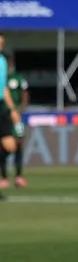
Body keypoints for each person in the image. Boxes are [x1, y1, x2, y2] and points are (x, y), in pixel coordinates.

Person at [0, 52, 29, 187]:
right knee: (6, 144)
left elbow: (25, 93)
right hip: (4, 113)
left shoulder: (17, 78)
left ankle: (18, 175)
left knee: (16, 143)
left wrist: (18, 110)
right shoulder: (4, 78)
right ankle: (3, 177)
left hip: (13, 115)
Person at [0, 35, 22, 191]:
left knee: (10, 145)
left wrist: (13, 109)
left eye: (2, 43)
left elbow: (4, 88)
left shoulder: (2, 62)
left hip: (1, 107)